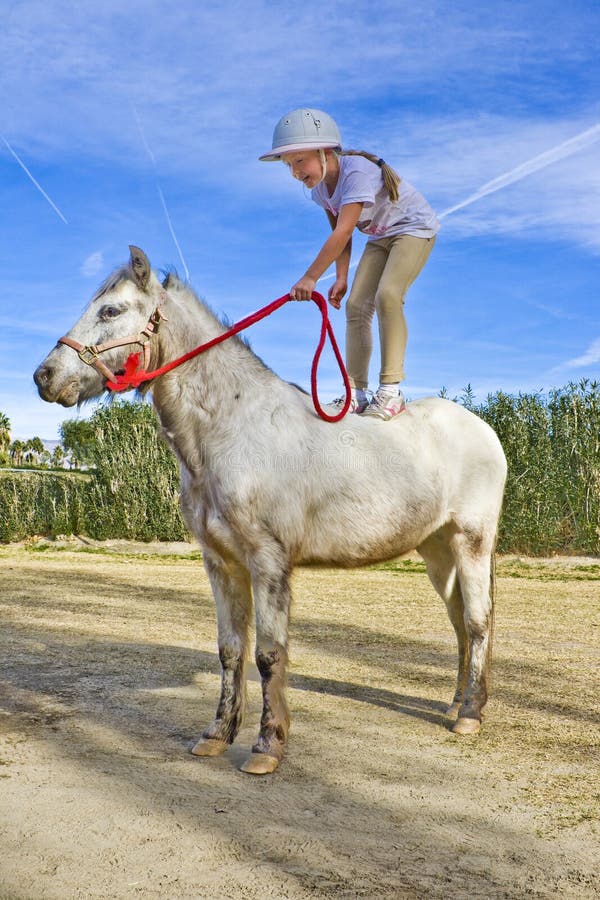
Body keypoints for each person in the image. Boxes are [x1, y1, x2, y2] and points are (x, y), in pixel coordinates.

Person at [259, 107, 439, 420]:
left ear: (325, 151)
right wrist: (340, 277)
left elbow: (344, 231)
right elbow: (339, 233)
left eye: (299, 161)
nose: (295, 172)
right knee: (356, 305)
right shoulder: (320, 191)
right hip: (379, 237)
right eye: (289, 166)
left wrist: (310, 278)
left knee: (388, 295)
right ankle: (356, 392)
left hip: (413, 229)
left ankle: (391, 391)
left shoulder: (355, 172)